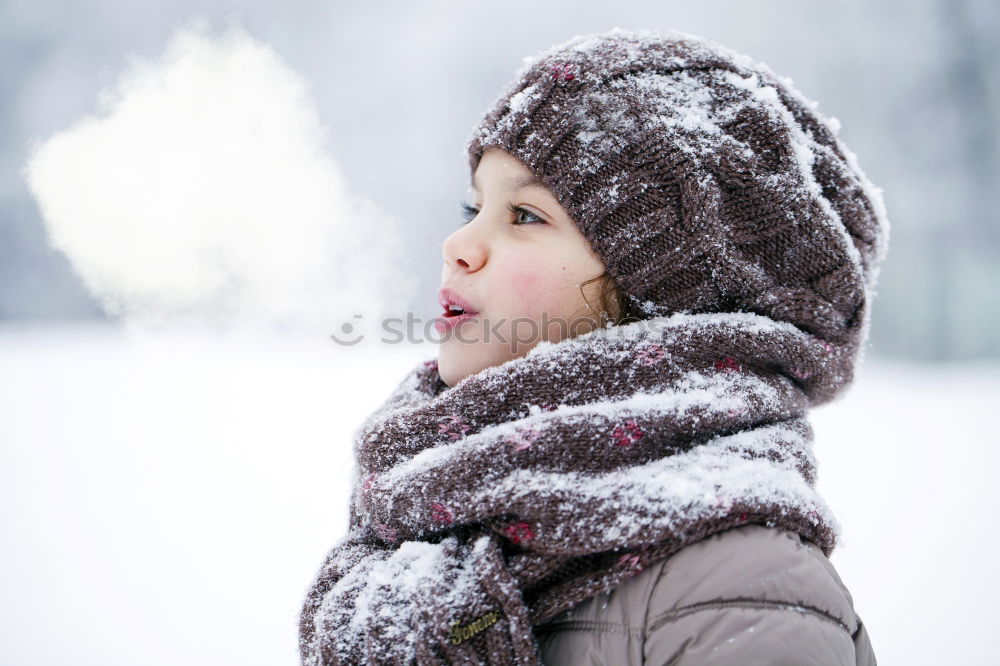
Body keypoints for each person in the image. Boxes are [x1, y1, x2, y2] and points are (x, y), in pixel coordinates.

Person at [299, 27, 887, 665]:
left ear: (666, 296)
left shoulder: (739, 587)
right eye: (472, 208)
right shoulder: (431, 516)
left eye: (525, 215)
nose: (458, 244)